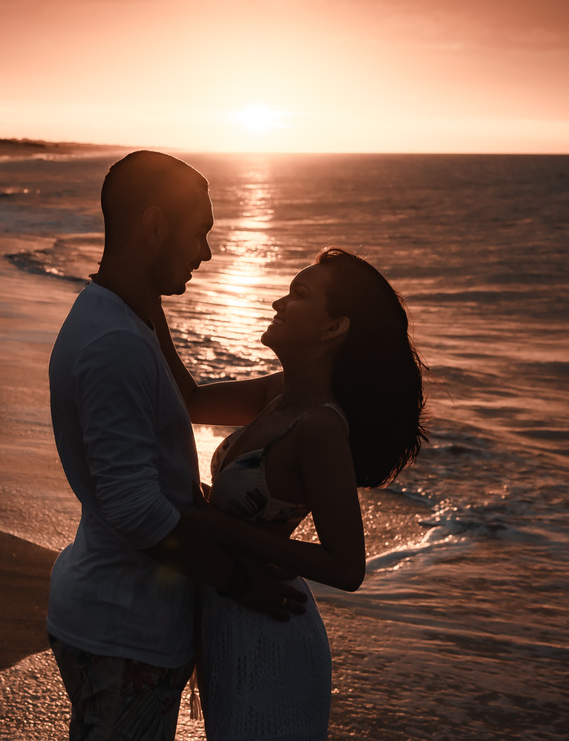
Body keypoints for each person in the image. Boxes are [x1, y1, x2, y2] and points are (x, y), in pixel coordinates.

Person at [47, 150, 305, 741]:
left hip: (119, 620)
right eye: (200, 233)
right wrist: (238, 580)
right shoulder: (114, 342)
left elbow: (156, 461)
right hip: (123, 629)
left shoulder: (123, 320)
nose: (207, 253)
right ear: (155, 226)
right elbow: (135, 511)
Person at [155, 247, 428, 741]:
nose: (279, 303)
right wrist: (145, 296)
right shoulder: (279, 393)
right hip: (231, 611)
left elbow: (347, 568)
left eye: (299, 294)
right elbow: (189, 400)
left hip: (271, 634)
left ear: (333, 328)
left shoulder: (319, 425)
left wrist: (222, 524)